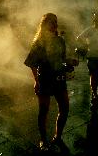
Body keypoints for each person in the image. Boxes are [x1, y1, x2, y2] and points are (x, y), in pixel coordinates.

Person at [24, 13, 77, 152]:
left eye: (56, 22)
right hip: (44, 80)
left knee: (65, 108)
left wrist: (69, 62)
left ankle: (57, 136)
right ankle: (43, 139)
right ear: (44, 24)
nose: (55, 25)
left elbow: (62, 59)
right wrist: (36, 81)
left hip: (59, 79)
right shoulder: (39, 42)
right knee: (44, 111)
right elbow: (32, 64)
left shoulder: (60, 40)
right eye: (52, 22)